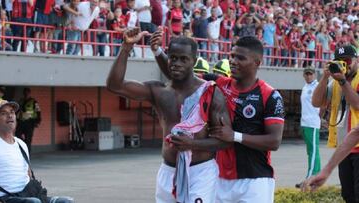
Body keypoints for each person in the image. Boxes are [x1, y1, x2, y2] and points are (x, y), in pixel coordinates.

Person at [152, 33, 285, 203]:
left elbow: (274, 141)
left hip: (255, 180)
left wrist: (235, 136)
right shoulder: (218, 86)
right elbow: (178, 74)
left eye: (240, 58)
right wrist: (157, 51)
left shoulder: (270, 96)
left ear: (257, 63)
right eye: (232, 56)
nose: (233, 61)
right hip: (218, 177)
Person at [106, 27, 231, 203]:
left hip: (200, 172)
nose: (176, 63)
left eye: (183, 59)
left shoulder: (210, 92)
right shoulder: (158, 91)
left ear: (193, 61)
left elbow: (226, 140)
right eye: (173, 58)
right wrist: (126, 47)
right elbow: (115, 85)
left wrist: (192, 143)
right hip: (168, 171)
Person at [309, 45, 359, 203]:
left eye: (348, 61)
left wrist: (343, 81)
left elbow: (357, 104)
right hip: (344, 147)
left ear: (357, 60)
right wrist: (325, 78)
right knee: (348, 195)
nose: (345, 65)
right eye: (340, 62)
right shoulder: (335, 82)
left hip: (358, 146)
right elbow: (316, 102)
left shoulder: (345, 81)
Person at [0, 99, 74, 203]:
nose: (10, 115)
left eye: (12, 112)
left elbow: (28, 174)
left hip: (28, 194)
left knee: (65, 201)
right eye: (3, 113)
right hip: (5, 198)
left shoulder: (21, 144)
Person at [295, 67, 321, 188]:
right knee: (311, 152)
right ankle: (316, 177)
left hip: (312, 123)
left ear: (314, 75)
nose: (308, 76)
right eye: (306, 74)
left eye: (310, 74)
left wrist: (320, 116)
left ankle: (309, 178)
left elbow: (323, 103)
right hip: (305, 122)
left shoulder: (317, 86)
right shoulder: (305, 87)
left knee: (314, 151)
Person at [15, 88, 41, 154]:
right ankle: (21, 148)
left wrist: (38, 121)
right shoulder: (21, 101)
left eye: (27, 93)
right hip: (21, 122)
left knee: (28, 140)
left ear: (29, 93)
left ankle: (27, 154)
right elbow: (17, 110)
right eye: (25, 93)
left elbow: (38, 111)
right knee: (17, 136)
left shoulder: (34, 102)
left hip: (30, 122)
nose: (26, 94)